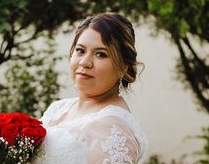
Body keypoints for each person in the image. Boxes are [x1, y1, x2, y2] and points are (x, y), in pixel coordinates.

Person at [33, 12, 148, 164]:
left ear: (123, 67)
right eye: (80, 50)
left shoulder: (114, 127)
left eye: (100, 54)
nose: (85, 62)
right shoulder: (58, 108)